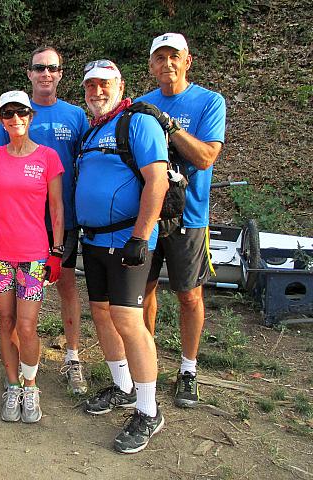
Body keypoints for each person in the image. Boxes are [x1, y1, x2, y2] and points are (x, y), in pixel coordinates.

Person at [75, 60, 168, 453]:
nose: (97, 91)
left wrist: (141, 237)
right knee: (101, 313)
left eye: (105, 84)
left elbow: (157, 179)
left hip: (128, 240)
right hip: (94, 242)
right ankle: (123, 387)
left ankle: (149, 411)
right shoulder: (93, 129)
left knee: (129, 321)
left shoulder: (137, 123)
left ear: (120, 85)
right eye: (91, 85)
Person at [0, 46, 89, 395]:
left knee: (66, 286)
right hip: (16, 223)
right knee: (17, 312)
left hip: (61, 218)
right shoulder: (5, 127)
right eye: (39, 67)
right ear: (30, 72)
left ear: (61, 73)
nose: (46, 73)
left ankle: (73, 357)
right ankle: (18, 370)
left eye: (52, 67)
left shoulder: (76, 115)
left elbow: (90, 157)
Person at [139, 33, 226, 408]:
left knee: (189, 294)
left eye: (174, 57)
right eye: (160, 58)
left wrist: (171, 128)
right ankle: (148, 361)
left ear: (187, 61)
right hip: (148, 215)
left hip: (190, 216)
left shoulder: (209, 101)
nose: (167, 64)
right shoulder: (141, 104)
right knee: (143, 291)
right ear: (151, 65)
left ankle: (188, 369)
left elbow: (206, 156)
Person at [0, 90, 64, 423]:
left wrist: (57, 250)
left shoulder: (48, 157)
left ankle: (30, 385)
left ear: (31, 116)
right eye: (8, 114)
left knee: (28, 325)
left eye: (21, 113)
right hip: (0, 256)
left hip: (33, 255)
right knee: (5, 322)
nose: (15, 119)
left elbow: (57, 207)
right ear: (0, 119)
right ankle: (11, 384)